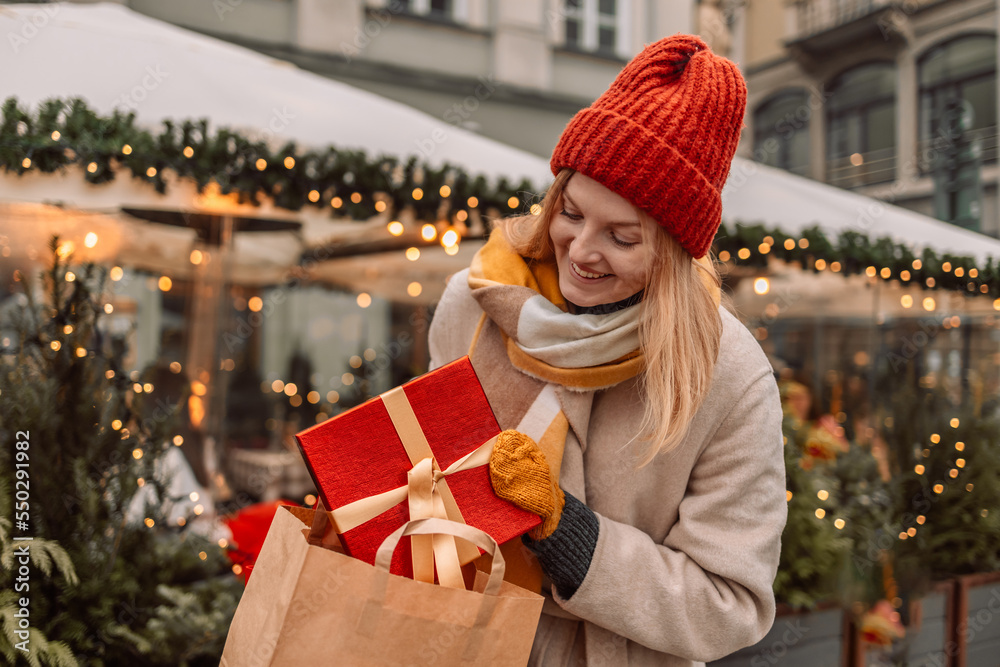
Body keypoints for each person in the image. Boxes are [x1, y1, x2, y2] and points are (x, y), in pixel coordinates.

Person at [428, 34, 787, 666]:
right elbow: (425, 474)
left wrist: (570, 535)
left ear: (675, 253)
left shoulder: (728, 372)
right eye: (571, 212)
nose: (582, 250)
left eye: (623, 237)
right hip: (455, 642)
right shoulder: (474, 302)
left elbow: (730, 602)